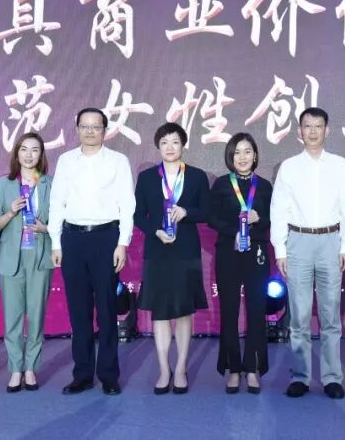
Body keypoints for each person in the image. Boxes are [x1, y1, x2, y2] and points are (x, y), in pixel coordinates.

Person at [49, 108, 135, 396]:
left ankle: (109, 375)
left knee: (107, 310)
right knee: (79, 311)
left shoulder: (118, 161)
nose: (89, 131)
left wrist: (122, 243)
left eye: (95, 126)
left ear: (104, 130)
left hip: (106, 238)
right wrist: (56, 243)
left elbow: (127, 204)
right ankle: (82, 374)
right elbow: (57, 202)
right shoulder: (66, 160)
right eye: (84, 126)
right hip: (72, 239)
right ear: (77, 129)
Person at [271, 108, 345, 399]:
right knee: (299, 315)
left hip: (331, 240)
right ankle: (301, 376)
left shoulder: (340, 165)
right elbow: (278, 210)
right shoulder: (289, 167)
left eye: (318, 126)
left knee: (331, 314)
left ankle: (332, 377)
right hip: (298, 241)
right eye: (307, 126)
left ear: (327, 130)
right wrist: (280, 249)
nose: (313, 131)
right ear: (299, 131)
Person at [133, 122, 210, 394]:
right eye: (164, 142)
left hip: (185, 251)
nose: (170, 147)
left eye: (175, 142)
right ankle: (164, 369)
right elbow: (137, 215)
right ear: (158, 146)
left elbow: (207, 212)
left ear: (183, 145)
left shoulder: (197, 176)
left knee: (184, 311)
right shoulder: (147, 178)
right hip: (157, 251)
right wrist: (155, 231)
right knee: (161, 311)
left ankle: (180, 369)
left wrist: (187, 212)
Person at [208, 132, 273, 394]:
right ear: (230, 156)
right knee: (229, 311)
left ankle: (252, 368)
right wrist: (232, 231)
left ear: (255, 155)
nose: (242, 157)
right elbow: (212, 218)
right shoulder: (222, 184)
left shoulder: (264, 186)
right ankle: (234, 369)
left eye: (247, 151)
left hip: (256, 252)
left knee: (257, 311)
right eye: (237, 152)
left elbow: (273, 219)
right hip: (228, 251)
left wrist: (259, 219)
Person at [0, 132, 53, 393]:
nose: (29, 155)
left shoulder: (50, 183)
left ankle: (31, 368)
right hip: (11, 258)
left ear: (41, 154)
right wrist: (11, 212)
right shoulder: (4, 184)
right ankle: (16, 368)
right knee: (12, 317)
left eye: (34, 150)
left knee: (36, 316)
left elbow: (61, 222)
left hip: (39, 255)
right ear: (16, 153)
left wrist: (44, 228)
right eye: (24, 149)